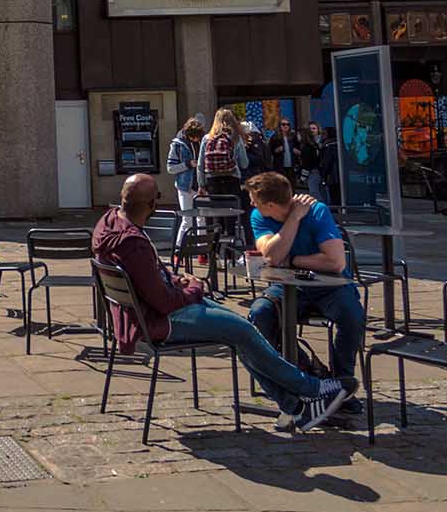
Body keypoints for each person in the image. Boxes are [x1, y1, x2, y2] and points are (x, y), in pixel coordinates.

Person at [93, 174, 350, 432]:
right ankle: (312, 390)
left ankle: (296, 407)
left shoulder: (109, 224)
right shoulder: (133, 244)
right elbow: (163, 302)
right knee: (243, 331)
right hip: (159, 321)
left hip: (146, 312)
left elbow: (153, 281)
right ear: (152, 205)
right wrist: (194, 287)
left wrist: (176, 279)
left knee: (242, 329)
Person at [244, 172, 366, 408]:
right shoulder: (259, 216)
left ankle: (341, 384)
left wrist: (293, 259)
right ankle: (306, 374)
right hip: (289, 286)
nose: (251, 203)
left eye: (254, 199)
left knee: (352, 316)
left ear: (270, 204)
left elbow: (336, 263)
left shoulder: (317, 211)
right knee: (260, 314)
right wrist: (293, 220)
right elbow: (271, 255)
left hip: (330, 285)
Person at [166, 116, 206, 247]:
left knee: (202, 219)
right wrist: (187, 164)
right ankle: (179, 248)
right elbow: (170, 168)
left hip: (200, 185)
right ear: (188, 135)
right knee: (187, 219)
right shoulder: (177, 145)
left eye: (198, 138)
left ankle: (202, 250)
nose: (197, 140)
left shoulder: (202, 142)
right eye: (194, 137)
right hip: (185, 186)